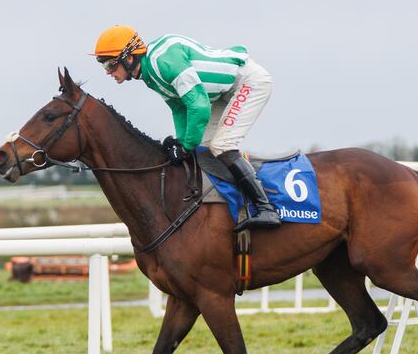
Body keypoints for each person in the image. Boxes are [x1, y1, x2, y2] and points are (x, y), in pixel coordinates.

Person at [91, 25, 280, 231]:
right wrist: (182, 142)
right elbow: (179, 108)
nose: (108, 72)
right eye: (104, 67)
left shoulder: (162, 63)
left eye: (110, 65)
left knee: (222, 145)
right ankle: (236, 203)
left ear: (129, 58)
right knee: (205, 149)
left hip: (247, 83)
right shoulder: (148, 74)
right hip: (221, 94)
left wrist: (186, 145)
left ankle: (266, 207)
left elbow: (198, 106)